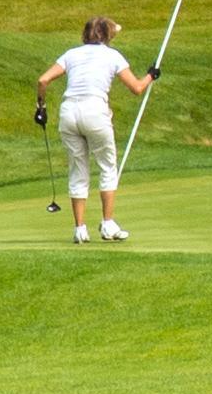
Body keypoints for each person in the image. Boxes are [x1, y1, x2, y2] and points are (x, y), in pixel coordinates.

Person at [40, 13, 150, 241]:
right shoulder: (112, 56)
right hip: (95, 112)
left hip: (68, 113)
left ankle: (80, 229)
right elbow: (137, 88)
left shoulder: (71, 54)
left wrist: (40, 107)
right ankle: (108, 224)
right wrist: (151, 76)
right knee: (108, 167)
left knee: (78, 170)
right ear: (107, 35)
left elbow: (43, 80)